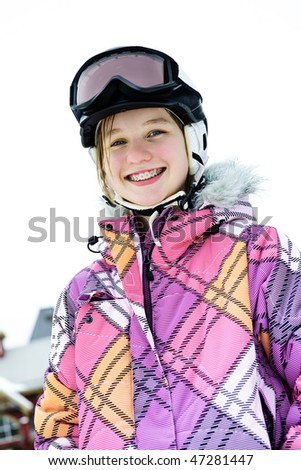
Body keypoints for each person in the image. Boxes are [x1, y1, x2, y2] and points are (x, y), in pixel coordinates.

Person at [34, 46, 301, 450]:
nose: (137, 155)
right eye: (117, 142)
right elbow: (56, 424)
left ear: (193, 140)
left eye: (155, 131)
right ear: (102, 165)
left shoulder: (258, 257)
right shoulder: (84, 295)